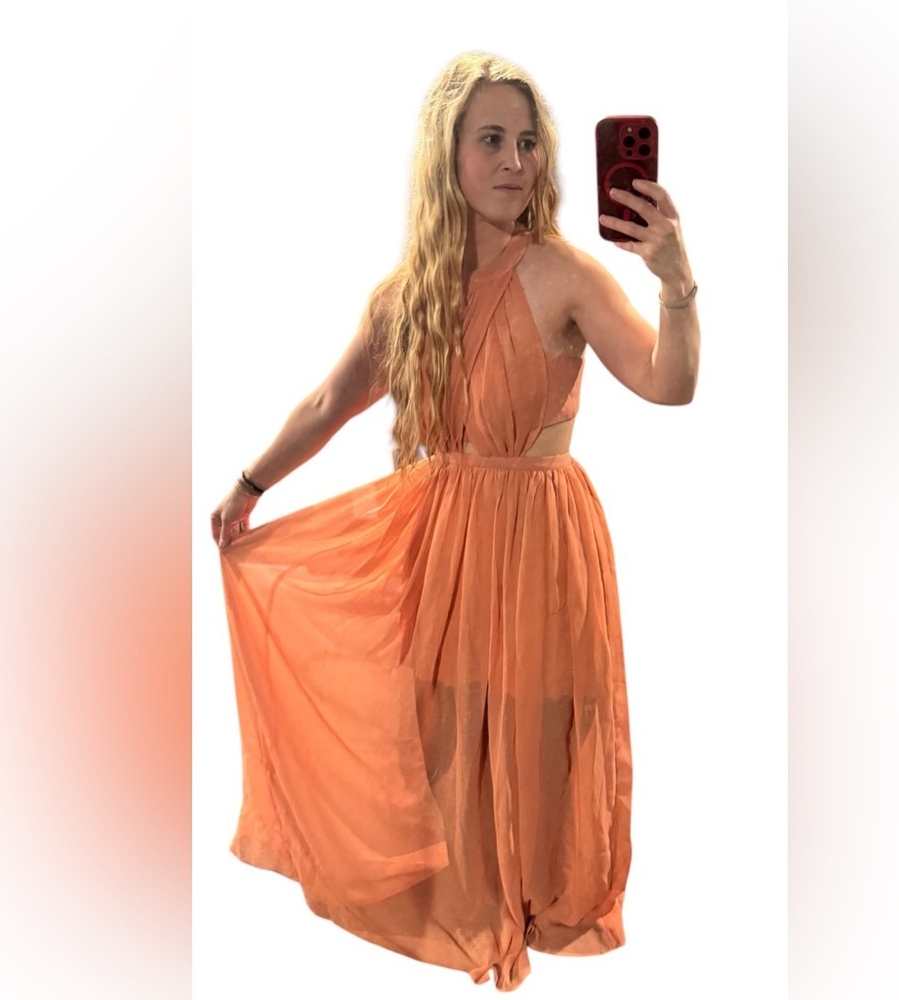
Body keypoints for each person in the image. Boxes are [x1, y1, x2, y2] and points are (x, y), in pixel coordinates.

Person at [211, 51, 699, 992]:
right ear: (448, 155)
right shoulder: (408, 297)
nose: (516, 161)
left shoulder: (565, 272)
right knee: (446, 733)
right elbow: (329, 402)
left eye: (529, 142)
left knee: (538, 732)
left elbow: (669, 383)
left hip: (543, 540)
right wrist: (249, 484)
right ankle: (471, 912)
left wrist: (675, 283)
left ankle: (528, 908)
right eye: (492, 140)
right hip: (443, 540)